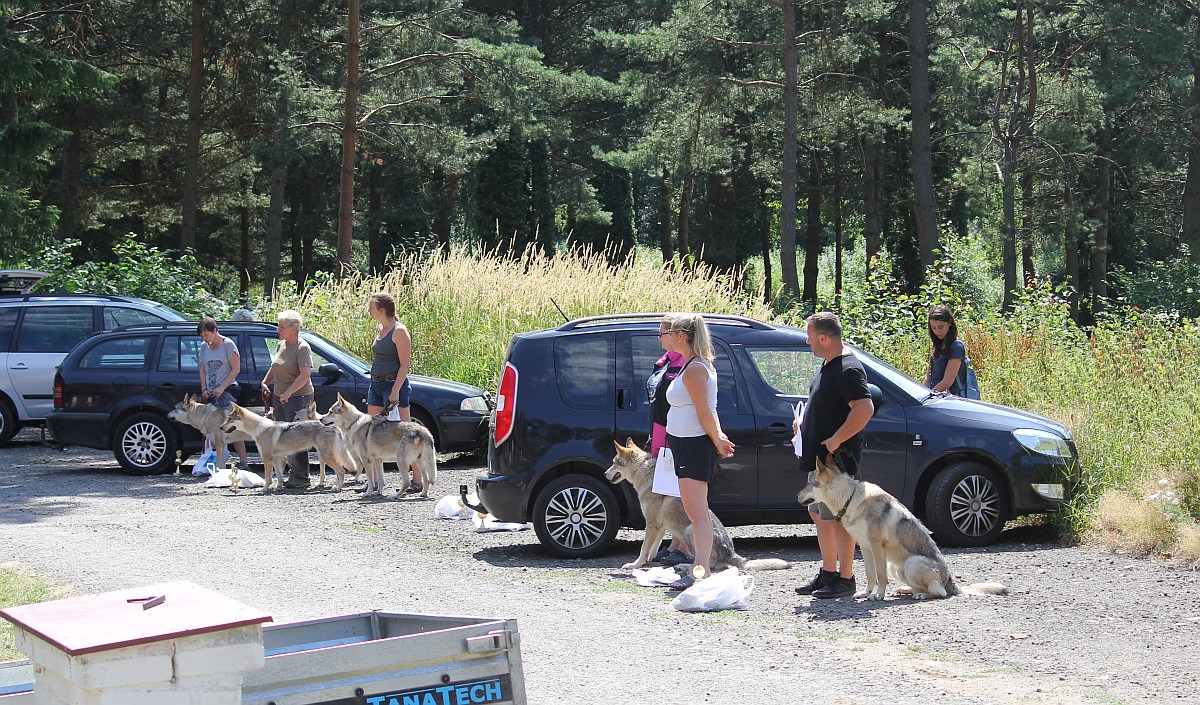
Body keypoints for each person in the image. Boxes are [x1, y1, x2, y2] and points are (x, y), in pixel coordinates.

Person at [794, 311, 874, 599]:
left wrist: (835, 441)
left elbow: (864, 409)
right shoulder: (829, 364)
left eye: (810, 336)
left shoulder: (848, 368)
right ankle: (829, 573)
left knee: (839, 518)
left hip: (836, 462)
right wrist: (804, 424)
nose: (808, 341)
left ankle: (845, 578)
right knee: (819, 515)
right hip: (820, 461)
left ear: (824, 338)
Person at [663, 313, 735, 587]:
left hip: (694, 444)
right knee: (695, 510)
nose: (666, 337)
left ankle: (701, 569)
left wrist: (717, 440)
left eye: (670, 332)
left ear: (682, 336)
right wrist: (718, 435)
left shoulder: (695, 369)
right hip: (684, 443)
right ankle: (699, 567)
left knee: (696, 512)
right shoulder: (690, 365)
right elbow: (709, 412)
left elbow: (706, 412)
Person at [366, 292, 421, 493]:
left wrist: (395, 390)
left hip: (393, 383)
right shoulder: (380, 328)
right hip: (376, 383)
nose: (369, 311)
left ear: (382, 310)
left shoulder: (399, 331)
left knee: (406, 432)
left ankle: (417, 479)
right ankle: (373, 481)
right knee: (371, 431)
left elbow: (405, 363)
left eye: (372, 307)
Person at [647, 314, 689, 565]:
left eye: (662, 333)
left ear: (676, 335)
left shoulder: (685, 362)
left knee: (679, 493)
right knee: (667, 490)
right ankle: (675, 541)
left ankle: (682, 545)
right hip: (660, 431)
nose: (659, 337)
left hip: (677, 434)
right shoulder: (664, 362)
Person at [260, 310, 314, 489]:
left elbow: (305, 375)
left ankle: (301, 477)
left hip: (298, 398)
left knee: (296, 437)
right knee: (282, 437)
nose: (278, 330)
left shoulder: (302, 348)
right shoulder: (281, 344)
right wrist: (266, 382)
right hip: (280, 396)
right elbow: (275, 366)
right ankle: (291, 474)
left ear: (294, 328)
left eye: (282, 327)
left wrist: (289, 392)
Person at [197, 317, 249, 470]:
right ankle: (216, 462)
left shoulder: (228, 345)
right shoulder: (204, 347)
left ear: (214, 331)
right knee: (212, 429)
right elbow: (202, 369)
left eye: (206, 334)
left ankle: (244, 461)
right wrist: (204, 388)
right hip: (211, 392)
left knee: (233, 425)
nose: (204, 338)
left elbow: (236, 369)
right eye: (202, 336)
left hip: (226, 390)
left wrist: (222, 387)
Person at [924, 305, 966, 395]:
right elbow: (928, 375)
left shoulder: (956, 346)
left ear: (950, 323)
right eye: (933, 328)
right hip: (935, 396)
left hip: (950, 399)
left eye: (940, 327)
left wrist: (930, 395)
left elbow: (948, 381)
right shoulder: (937, 344)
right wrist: (924, 392)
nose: (937, 332)